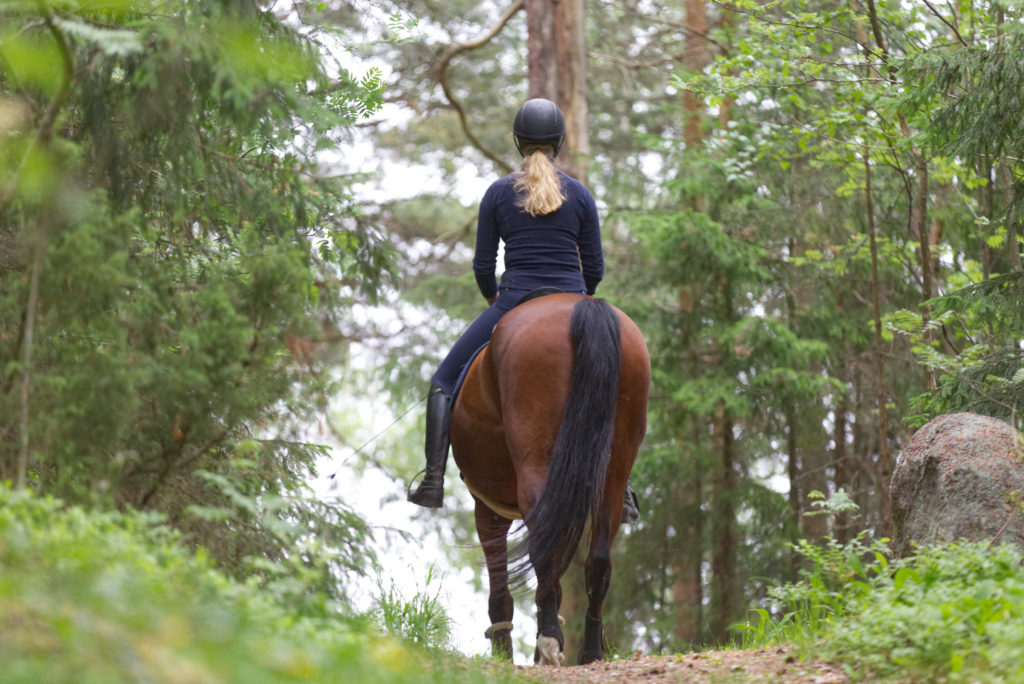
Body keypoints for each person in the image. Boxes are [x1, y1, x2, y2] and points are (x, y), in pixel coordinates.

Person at [408, 98, 638, 523]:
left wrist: (494, 298)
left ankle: (433, 480)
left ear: (518, 142)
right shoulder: (581, 194)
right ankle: (622, 489)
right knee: (616, 383)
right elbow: (596, 267)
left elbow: (482, 265)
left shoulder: (498, 193)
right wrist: (578, 300)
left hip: (514, 300)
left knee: (443, 381)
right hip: (575, 298)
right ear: (559, 143)